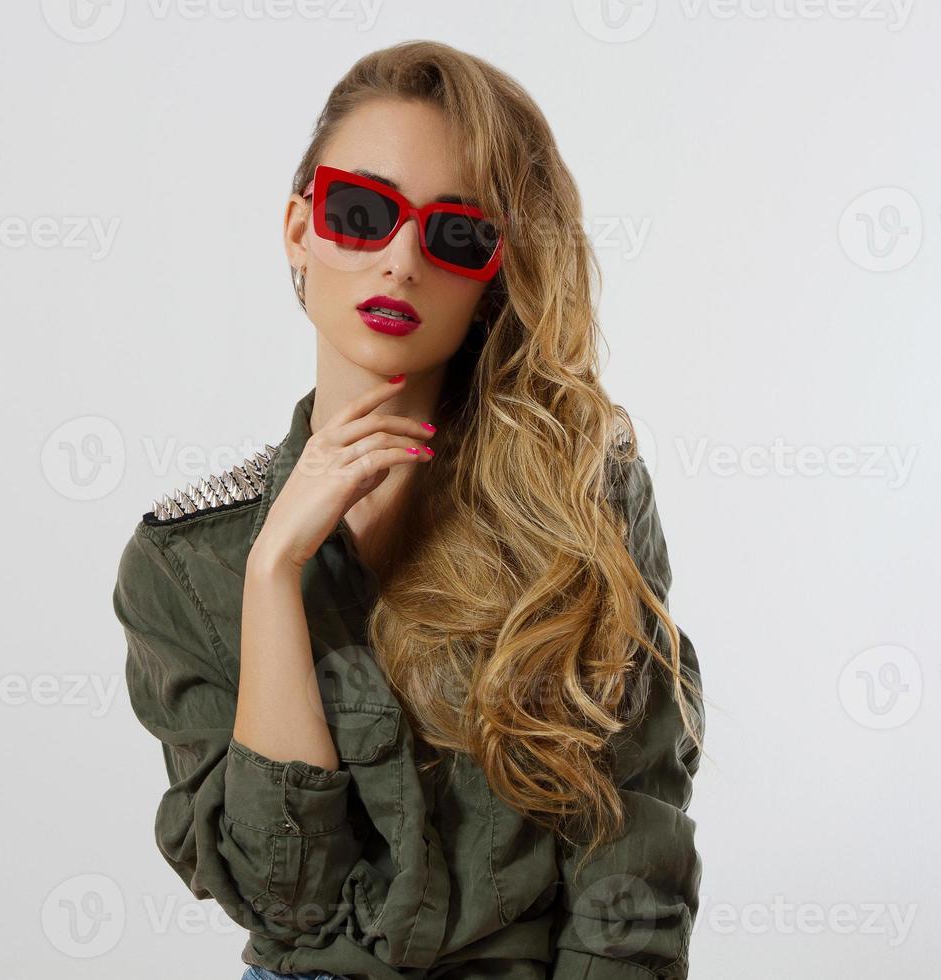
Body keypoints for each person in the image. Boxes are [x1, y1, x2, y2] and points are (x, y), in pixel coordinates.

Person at [113, 39, 704, 980]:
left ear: (493, 275)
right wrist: (275, 576)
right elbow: (286, 905)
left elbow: (633, 836)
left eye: (455, 233)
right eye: (362, 213)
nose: (399, 261)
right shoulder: (190, 559)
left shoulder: (581, 498)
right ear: (300, 228)